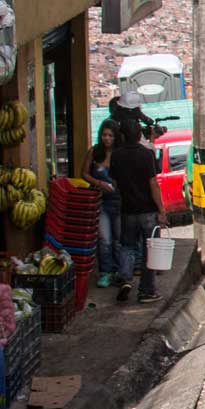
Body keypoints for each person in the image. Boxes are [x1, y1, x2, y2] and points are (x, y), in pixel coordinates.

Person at [108, 122, 163, 303]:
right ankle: (147, 291)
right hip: (147, 211)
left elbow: (115, 182)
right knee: (150, 251)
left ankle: (125, 278)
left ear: (122, 136)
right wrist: (161, 209)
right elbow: (153, 183)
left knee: (127, 246)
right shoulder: (146, 155)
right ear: (140, 134)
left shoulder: (116, 156)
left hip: (127, 210)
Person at [89, 122, 122, 296]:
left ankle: (118, 271)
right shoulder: (95, 152)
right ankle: (105, 272)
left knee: (118, 240)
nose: (107, 138)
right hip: (101, 202)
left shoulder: (120, 154)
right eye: (104, 135)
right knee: (105, 239)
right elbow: (84, 173)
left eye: (110, 135)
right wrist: (99, 183)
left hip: (118, 201)